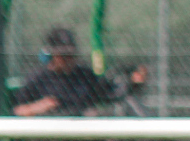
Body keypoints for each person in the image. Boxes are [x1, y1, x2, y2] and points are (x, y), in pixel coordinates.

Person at [12, 27, 148, 117]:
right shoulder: (37, 78)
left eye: (71, 55)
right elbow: (16, 110)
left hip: (85, 130)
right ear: (51, 55)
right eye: (63, 56)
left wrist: (132, 82)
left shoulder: (84, 75)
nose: (68, 60)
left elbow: (110, 93)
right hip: (50, 134)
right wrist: (35, 108)